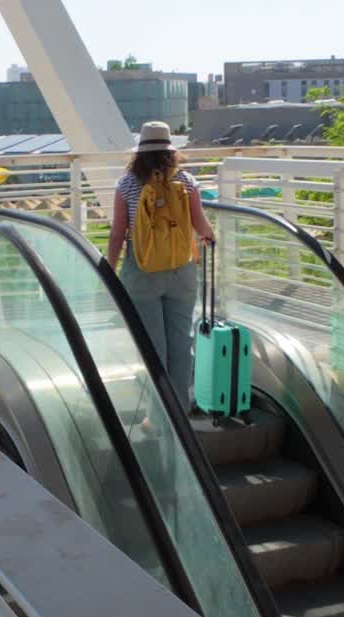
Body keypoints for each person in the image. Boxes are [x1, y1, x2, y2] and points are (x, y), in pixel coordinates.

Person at [107, 121, 216, 411]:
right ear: (170, 151)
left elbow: (119, 233)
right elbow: (201, 225)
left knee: (152, 346)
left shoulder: (127, 184)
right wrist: (209, 236)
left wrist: (109, 268)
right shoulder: (187, 181)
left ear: (140, 151)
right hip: (182, 270)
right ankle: (180, 409)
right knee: (181, 343)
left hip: (142, 271)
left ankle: (158, 416)